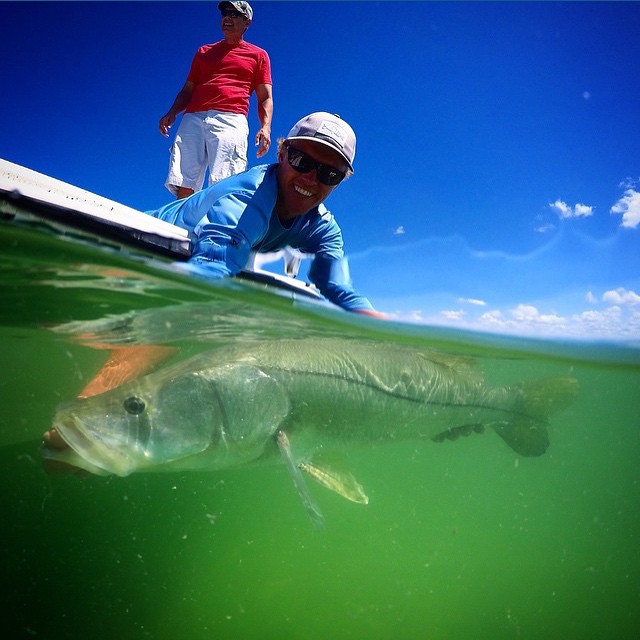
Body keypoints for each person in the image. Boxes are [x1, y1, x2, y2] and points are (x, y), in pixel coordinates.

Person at [147, 111, 384, 317]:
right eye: (301, 160)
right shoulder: (250, 196)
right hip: (147, 234)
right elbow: (213, 265)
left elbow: (337, 287)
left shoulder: (323, 228)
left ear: (338, 183)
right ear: (281, 155)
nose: (310, 179)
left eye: (329, 174)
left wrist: (380, 328)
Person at [159, 1, 273, 199]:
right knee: (184, 179)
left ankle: (215, 228)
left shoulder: (258, 55)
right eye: (225, 14)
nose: (227, 18)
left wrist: (266, 127)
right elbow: (188, 90)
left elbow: (265, 97)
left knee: (225, 180)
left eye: (234, 14)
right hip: (193, 116)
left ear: (247, 22)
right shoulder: (204, 52)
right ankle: (180, 225)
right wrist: (171, 113)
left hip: (230, 118)